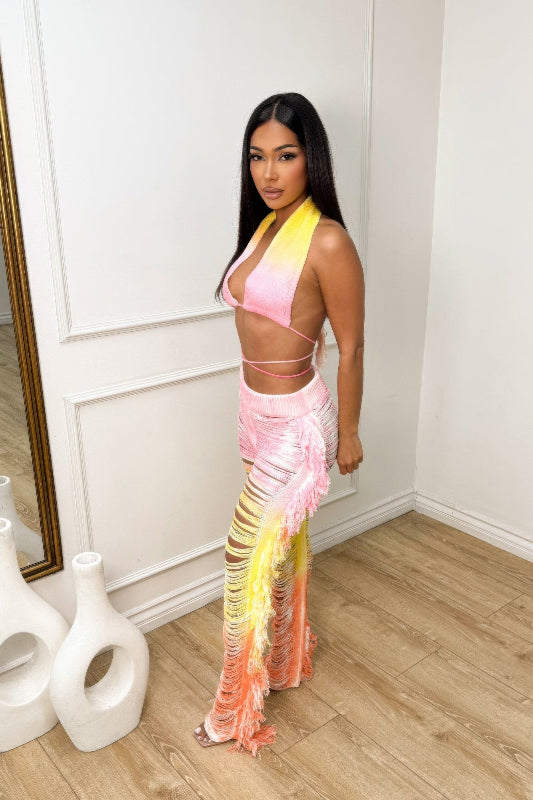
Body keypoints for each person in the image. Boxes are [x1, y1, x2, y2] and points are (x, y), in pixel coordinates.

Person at [193, 92, 365, 755]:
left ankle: (232, 709)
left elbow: (350, 346)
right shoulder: (264, 226)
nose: (268, 173)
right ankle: (289, 662)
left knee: (242, 556)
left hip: (298, 426)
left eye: (285, 156)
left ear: (309, 160)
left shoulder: (326, 240)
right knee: (285, 547)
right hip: (252, 410)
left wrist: (347, 434)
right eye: (257, 157)